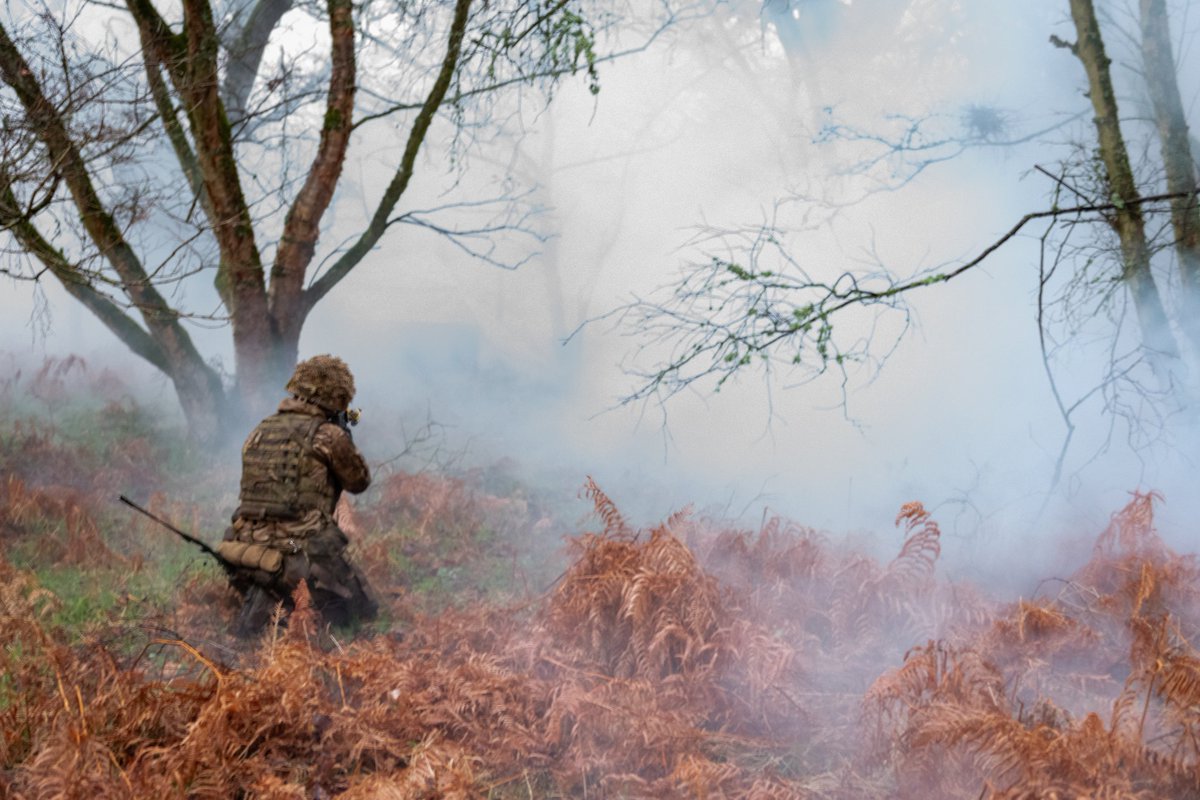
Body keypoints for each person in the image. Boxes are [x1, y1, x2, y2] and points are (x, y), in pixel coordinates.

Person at [219, 354, 378, 637]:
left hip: (244, 538)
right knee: (364, 609)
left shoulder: (261, 429)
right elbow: (358, 482)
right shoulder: (327, 435)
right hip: (294, 545)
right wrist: (344, 439)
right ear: (336, 398)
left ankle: (277, 609)